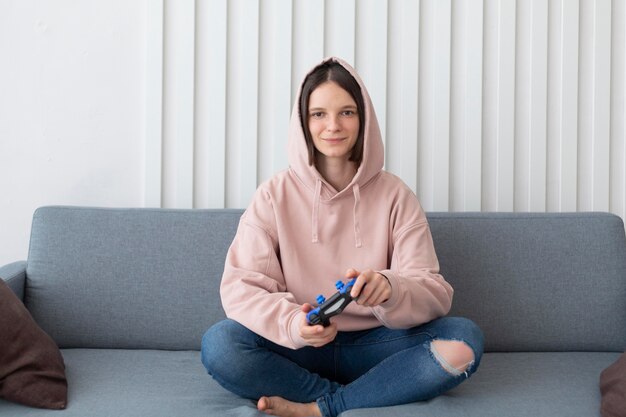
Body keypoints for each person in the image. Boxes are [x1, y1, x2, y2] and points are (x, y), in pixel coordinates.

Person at [201, 57, 484, 417]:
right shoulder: (272, 195)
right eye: (318, 114)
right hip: (299, 347)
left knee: (464, 338)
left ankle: (322, 407)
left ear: (363, 118)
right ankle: (362, 395)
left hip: (378, 345)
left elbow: (434, 291)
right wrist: (294, 324)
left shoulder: (396, 195)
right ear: (303, 122)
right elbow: (241, 288)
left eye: (346, 112)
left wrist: (390, 287)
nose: (332, 125)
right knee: (221, 344)